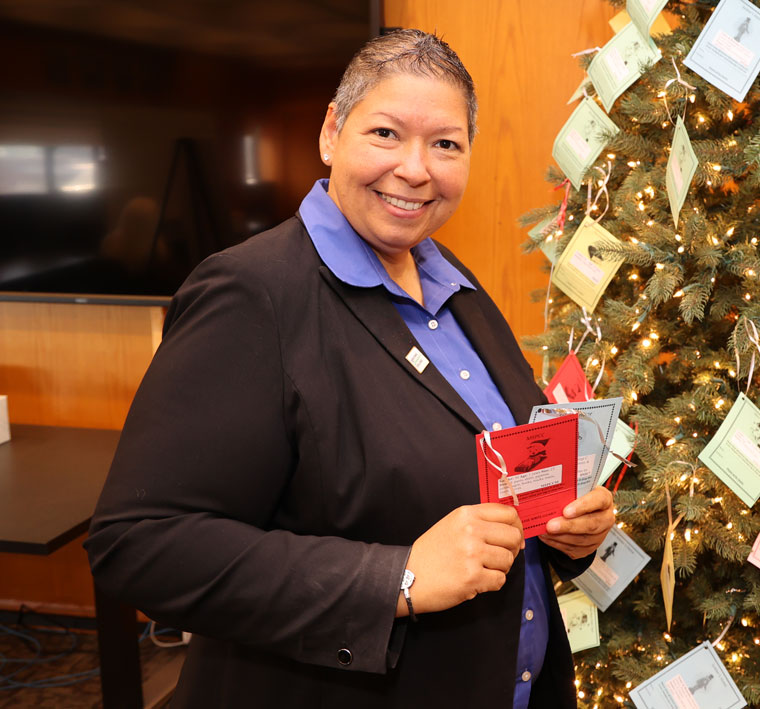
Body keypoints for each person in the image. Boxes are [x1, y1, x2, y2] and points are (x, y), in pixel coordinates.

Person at [84, 29, 615, 709]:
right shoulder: (253, 295)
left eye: (446, 144)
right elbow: (140, 543)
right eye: (387, 133)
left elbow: (497, 470)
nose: (417, 168)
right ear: (331, 133)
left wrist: (569, 527)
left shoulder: (454, 282)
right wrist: (395, 576)